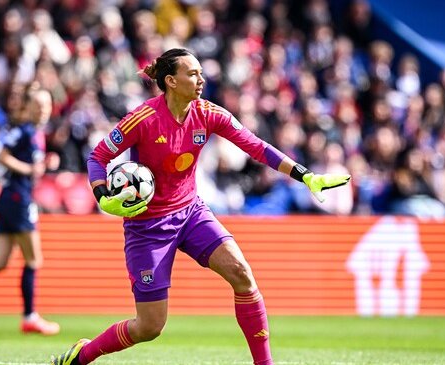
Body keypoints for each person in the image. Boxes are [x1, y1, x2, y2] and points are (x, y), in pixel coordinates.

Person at [50, 48, 350, 365]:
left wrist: (304, 175)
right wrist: (102, 194)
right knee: (150, 327)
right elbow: (97, 157)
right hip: (147, 228)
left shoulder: (208, 114)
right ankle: (82, 355)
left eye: (201, 73)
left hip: (191, 213)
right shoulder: (143, 119)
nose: (201, 79)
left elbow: (257, 147)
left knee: (242, 274)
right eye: (192, 73)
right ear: (171, 81)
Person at [0, 84, 60, 335]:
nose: (44, 110)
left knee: (0, 261)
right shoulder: (25, 131)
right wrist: (30, 169)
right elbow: (1, 157)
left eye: (47, 105)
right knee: (33, 259)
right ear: (27, 107)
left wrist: (43, 163)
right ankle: (30, 317)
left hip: (10, 198)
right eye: (38, 105)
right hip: (18, 198)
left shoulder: (32, 132)